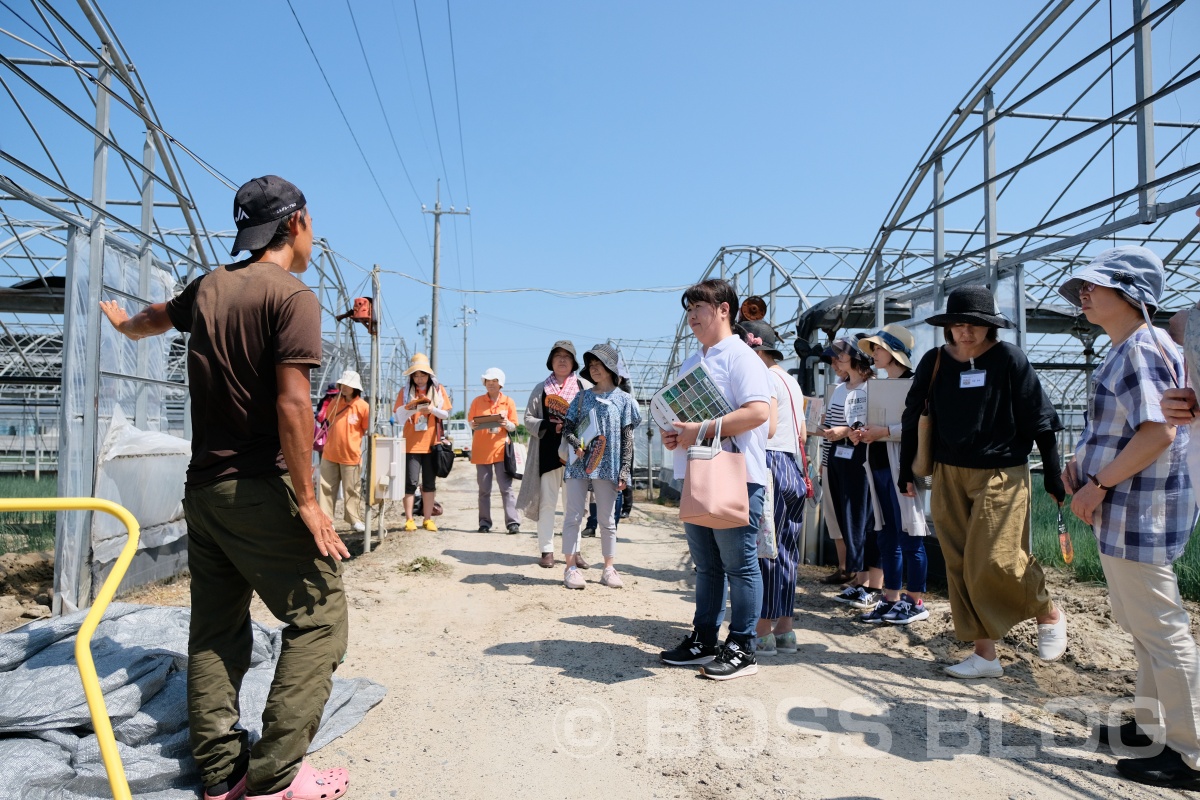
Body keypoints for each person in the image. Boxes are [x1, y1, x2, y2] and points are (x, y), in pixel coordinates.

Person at [99, 175, 350, 800]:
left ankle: (221, 775)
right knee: (320, 615)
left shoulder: (211, 285)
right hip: (257, 486)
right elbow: (294, 404)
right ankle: (276, 778)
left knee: (215, 629)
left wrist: (126, 327)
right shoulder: (294, 298)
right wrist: (311, 503)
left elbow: (158, 317)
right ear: (297, 223)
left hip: (204, 492)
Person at [1059, 247, 1200, 790]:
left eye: (1097, 287)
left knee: (1162, 631)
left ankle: (1190, 753)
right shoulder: (1133, 346)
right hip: (1131, 508)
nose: (1085, 295)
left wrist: (1098, 484)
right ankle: (1150, 727)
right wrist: (1083, 464)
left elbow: (1158, 432)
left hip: (1139, 508)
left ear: (1132, 296)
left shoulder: (1141, 348)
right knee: (1145, 627)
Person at [898, 285, 1066, 679]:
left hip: (1002, 472)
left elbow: (1039, 417)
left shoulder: (1009, 358)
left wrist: (1054, 473)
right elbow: (912, 414)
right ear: (948, 328)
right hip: (948, 471)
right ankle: (985, 654)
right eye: (958, 325)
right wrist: (907, 469)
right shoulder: (935, 361)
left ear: (990, 326)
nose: (966, 333)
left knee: (994, 558)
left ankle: (1047, 611)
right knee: (957, 562)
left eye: (974, 325)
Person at [658, 279, 771, 680]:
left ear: (724, 310)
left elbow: (759, 412)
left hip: (737, 475)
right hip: (699, 473)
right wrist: (674, 434)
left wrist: (702, 428)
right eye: (688, 310)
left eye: (698, 308)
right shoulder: (694, 361)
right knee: (706, 566)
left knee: (739, 565)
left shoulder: (740, 357)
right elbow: (682, 421)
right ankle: (704, 638)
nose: (691, 316)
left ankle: (742, 646)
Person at [852, 325, 930, 625]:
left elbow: (920, 428)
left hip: (906, 470)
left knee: (911, 534)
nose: (874, 354)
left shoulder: (914, 386)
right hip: (881, 466)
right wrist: (865, 434)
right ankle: (891, 598)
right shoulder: (880, 388)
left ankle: (915, 600)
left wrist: (883, 431)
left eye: (879, 348)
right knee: (887, 536)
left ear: (894, 353)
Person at [741, 321, 808, 657]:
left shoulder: (764, 377)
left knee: (765, 548)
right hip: (792, 467)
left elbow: (766, 427)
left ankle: (762, 630)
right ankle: (786, 630)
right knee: (787, 553)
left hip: (769, 465)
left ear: (756, 349)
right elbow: (803, 433)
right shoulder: (791, 381)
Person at [559, 343, 641, 589]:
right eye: (591, 366)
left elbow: (627, 439)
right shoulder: (581, 397)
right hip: (578, 463)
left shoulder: (625, 401)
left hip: (609, 464)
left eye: (599, 365)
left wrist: (624, 470)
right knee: (573, 516)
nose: (594, 370)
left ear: (610, 368)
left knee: (607, 520)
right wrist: (576, 443)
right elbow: (567, 427)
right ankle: (570, 568)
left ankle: (609, 568)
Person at [515, 341, 588, 569]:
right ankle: (547, 550)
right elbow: (528, 418)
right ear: (551, 361)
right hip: (546, 454)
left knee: (573, 505)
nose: (562, 360)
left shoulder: (584, 386)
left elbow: (593, 418)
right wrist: (549, 425)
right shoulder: (541, 388)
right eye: (558, 356)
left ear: (574, 361)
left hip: (576, 454)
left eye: (567, 356)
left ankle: (574, 551)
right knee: (547, 503)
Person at [821, 338, 881, 611]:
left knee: (862, 518)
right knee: (848, 519)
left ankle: (871, 585)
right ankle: (859, 579)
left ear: (855, 357)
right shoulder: (839, 389)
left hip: (860, 458)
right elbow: (833, 422)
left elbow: (871, 423)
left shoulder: (872, 388)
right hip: (837, 458)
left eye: (839, 358)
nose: (835, 363)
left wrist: (845, 430)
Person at [392, 353, 452, 532]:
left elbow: (446, 414)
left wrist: (431, 408)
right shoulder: (404, 392)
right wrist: (409, 409)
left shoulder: (438, 390)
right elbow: (398, 417)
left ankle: (427, 519)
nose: (419, 379)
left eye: (422, 375)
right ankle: (409, 519)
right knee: (410, 482)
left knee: (429, 483)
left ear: (428, 375)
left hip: (431, 443)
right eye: (416, 375)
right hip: (410, 444)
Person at [318, 370, 370, 533]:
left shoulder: (363, 406)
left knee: (352, 490)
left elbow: (366, 429)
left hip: (351, 455)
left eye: (348, 385)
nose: (345, 387)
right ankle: (326, 520)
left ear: (355, 388)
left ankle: (354, 519)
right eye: (343, 384)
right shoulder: (334, 402)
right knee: (325, 488)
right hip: (330, 453)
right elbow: (326, 420)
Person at [469, 367, 521, 533]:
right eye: (488, 381)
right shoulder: (477, 401)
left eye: (494, 381)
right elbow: (471, 422)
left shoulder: (508, 401)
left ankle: (513, 522)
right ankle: (484, 522)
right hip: (481, 451)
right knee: (484, 490)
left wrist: (507, 424)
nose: (490, 384)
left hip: (501, 451)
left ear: (500, 384)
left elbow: (514, 426)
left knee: (506, 488)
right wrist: (473, 424)